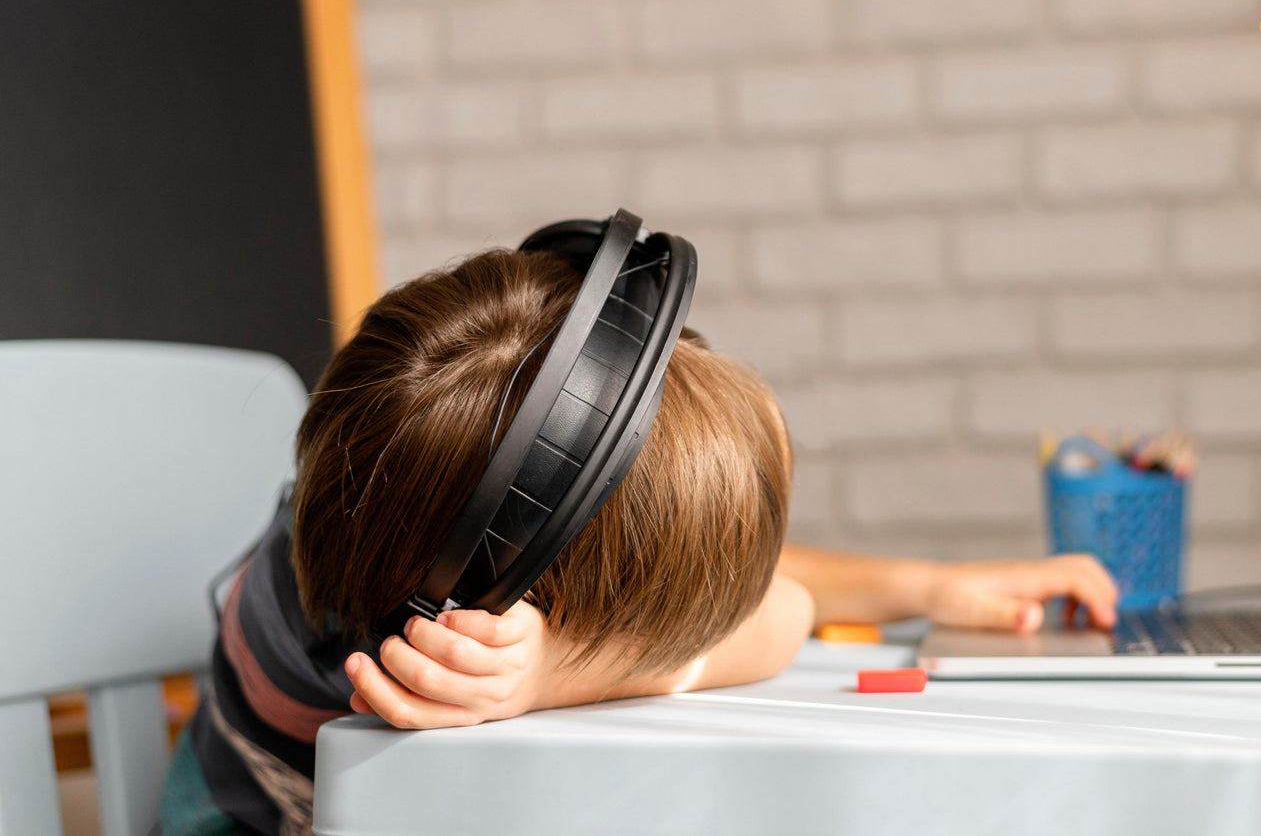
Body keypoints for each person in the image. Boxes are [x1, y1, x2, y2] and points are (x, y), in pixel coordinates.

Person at [157, 245, 1119, 836]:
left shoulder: (404, 516)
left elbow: (768, 596)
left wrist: (933, 588)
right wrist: (554, 677)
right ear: (506, 596)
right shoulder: (399, 655)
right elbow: (775, 619)